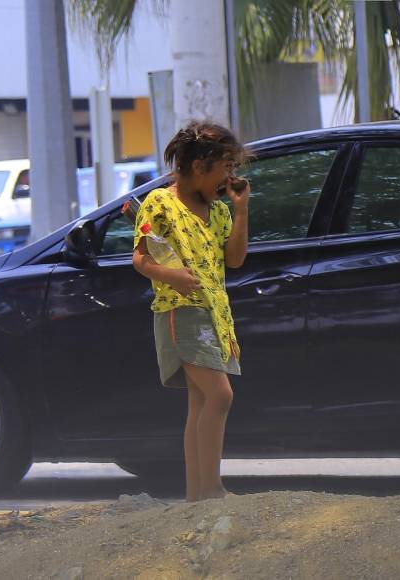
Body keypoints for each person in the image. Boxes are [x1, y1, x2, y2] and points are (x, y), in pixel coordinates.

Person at [131, 121, 251, 502]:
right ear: (200, 166)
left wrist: (241, 211)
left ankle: (197, 495)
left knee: (201, 401)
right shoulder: (159, 204)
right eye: (226, 167)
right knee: (220, 396)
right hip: (180, 310)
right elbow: (140, 257)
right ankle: (211, 489)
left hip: (216, 314)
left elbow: (234, 259)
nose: (230, 176)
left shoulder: (217, 212)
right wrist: (170, 275)